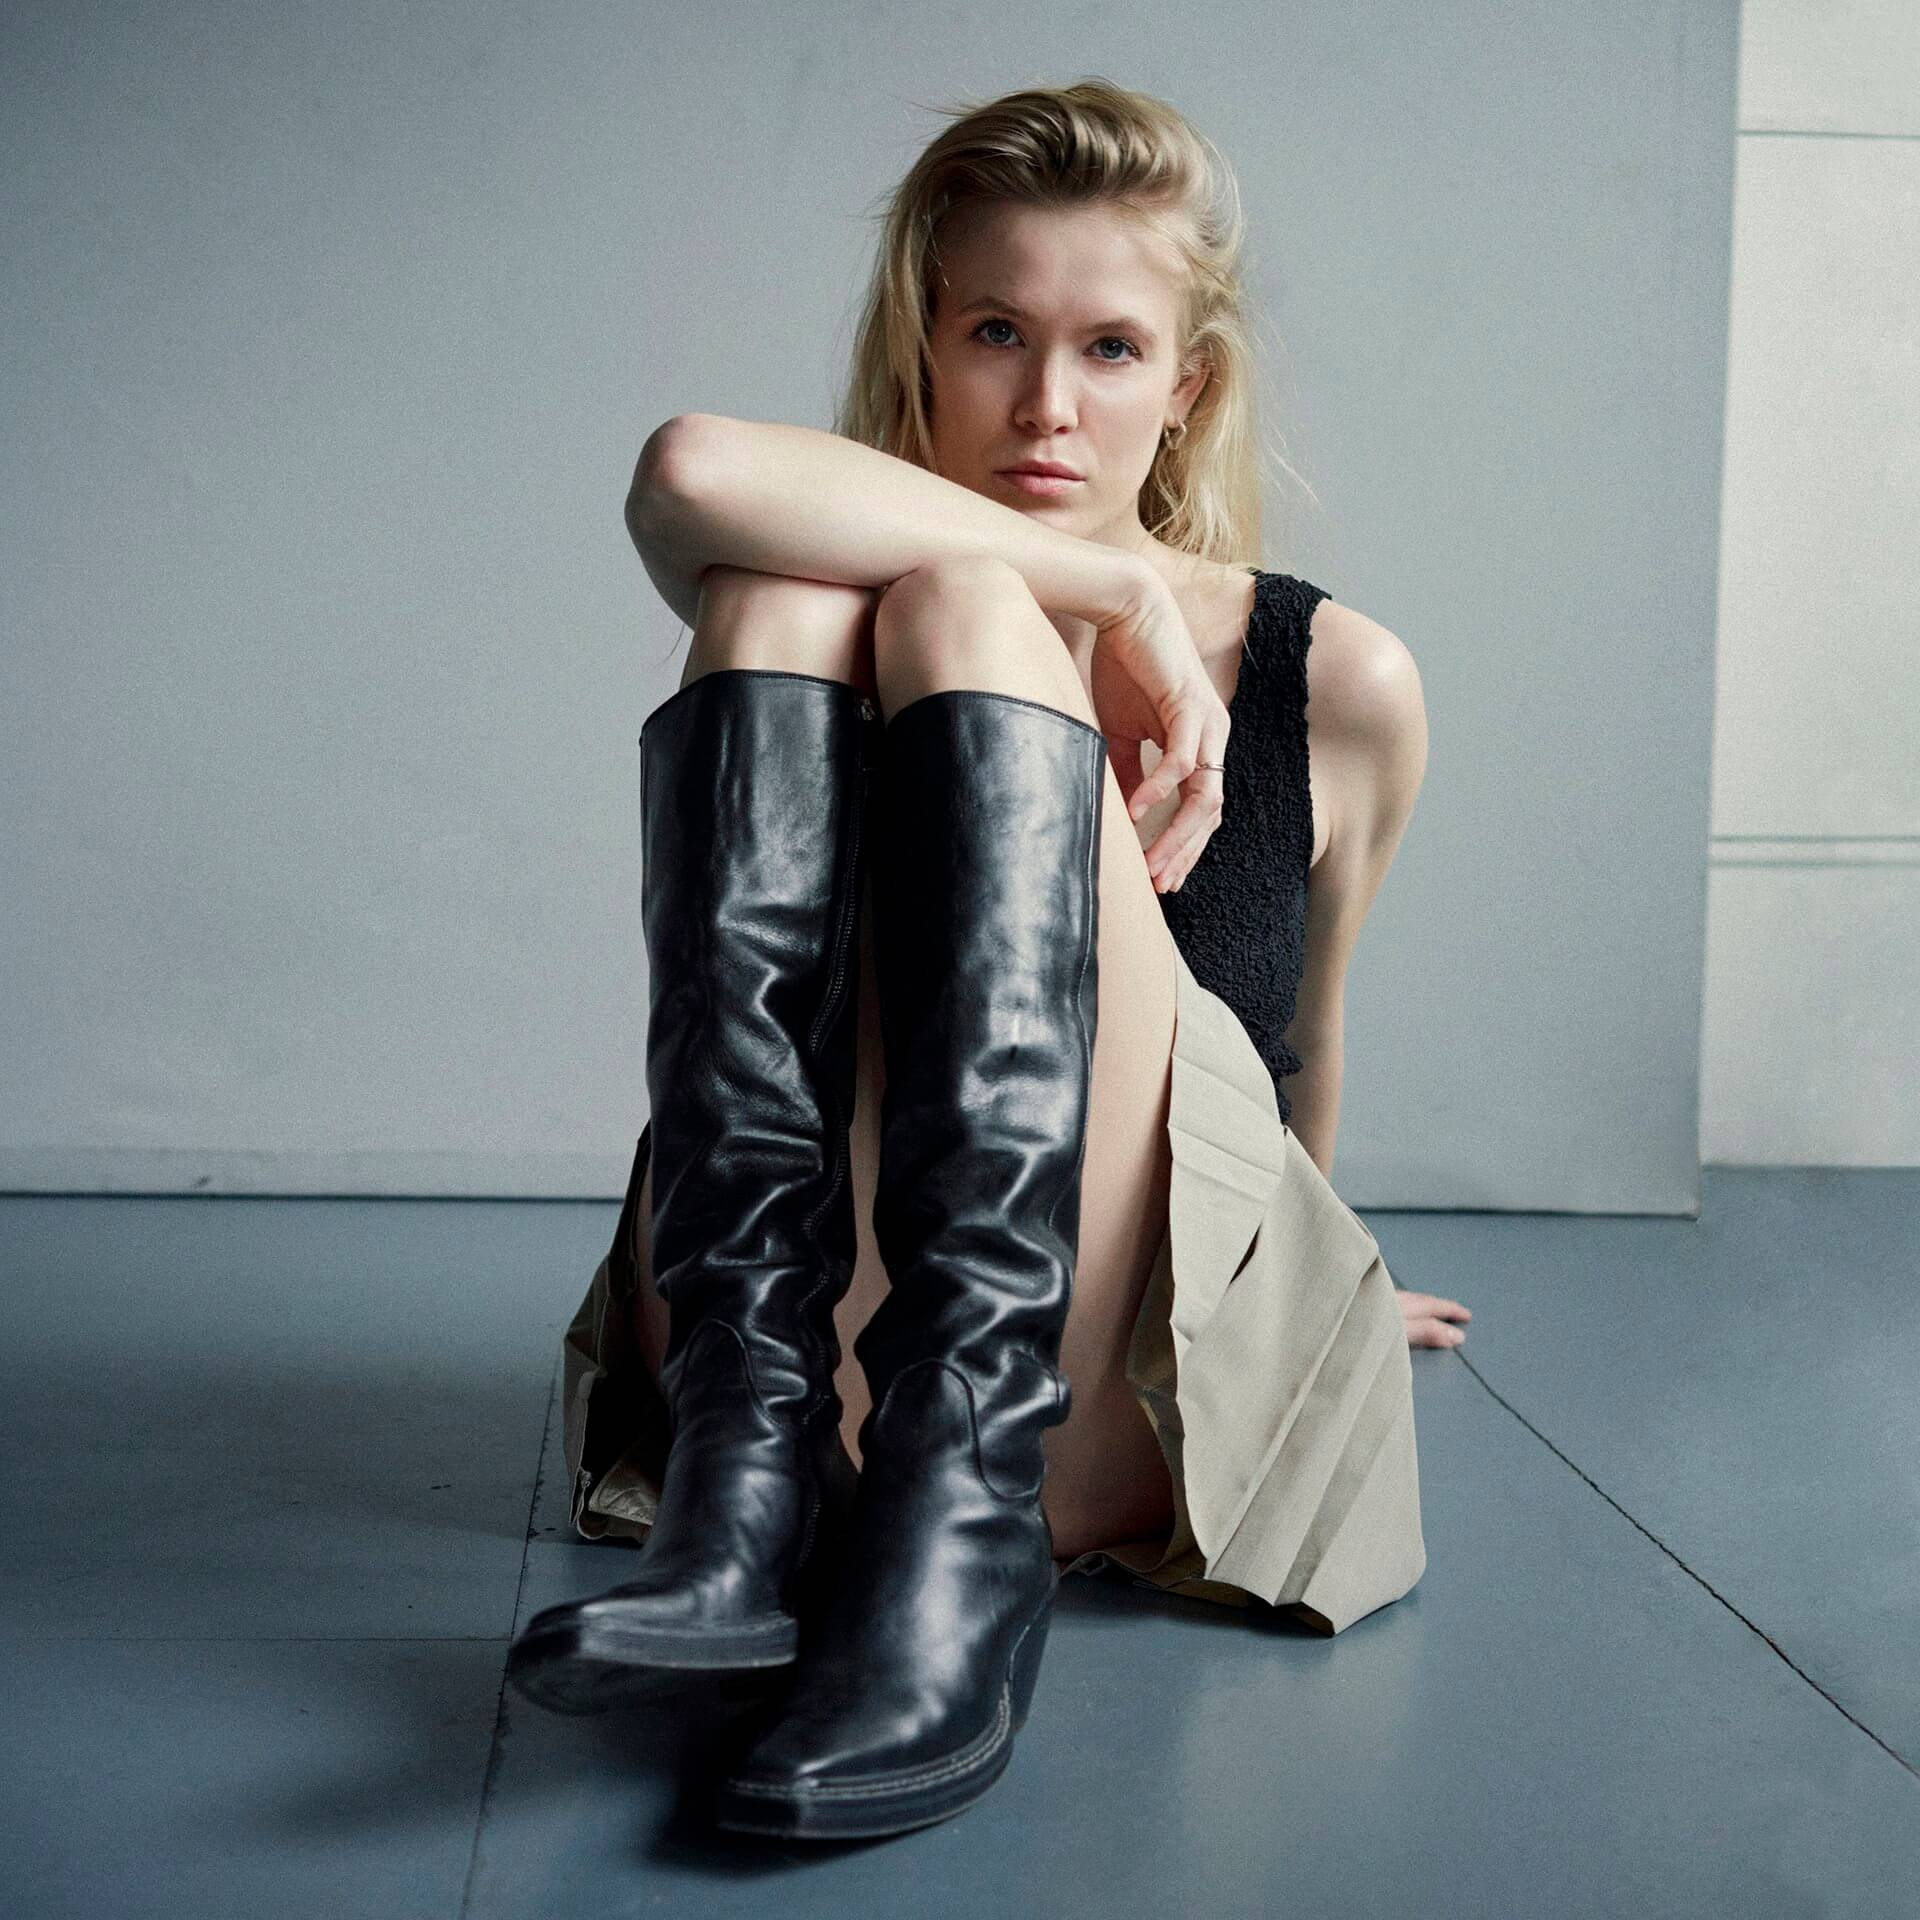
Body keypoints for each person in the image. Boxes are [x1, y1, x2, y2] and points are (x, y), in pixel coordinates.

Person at [508, 77, 1469, 1840]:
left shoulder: (1334, 682)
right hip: (791, 1331)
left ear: (1186, 384)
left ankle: (951, 1526)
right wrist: (1100, 594)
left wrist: (1324, 1289)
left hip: (1091, 1399)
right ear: (924, 344)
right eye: (995, 332)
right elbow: (689, 469)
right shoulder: (833, 585)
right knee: (801, 588)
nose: (1046, 402)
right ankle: (744, 1488)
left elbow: (1304, 1032)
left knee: (945, 602)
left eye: (1111, 349)